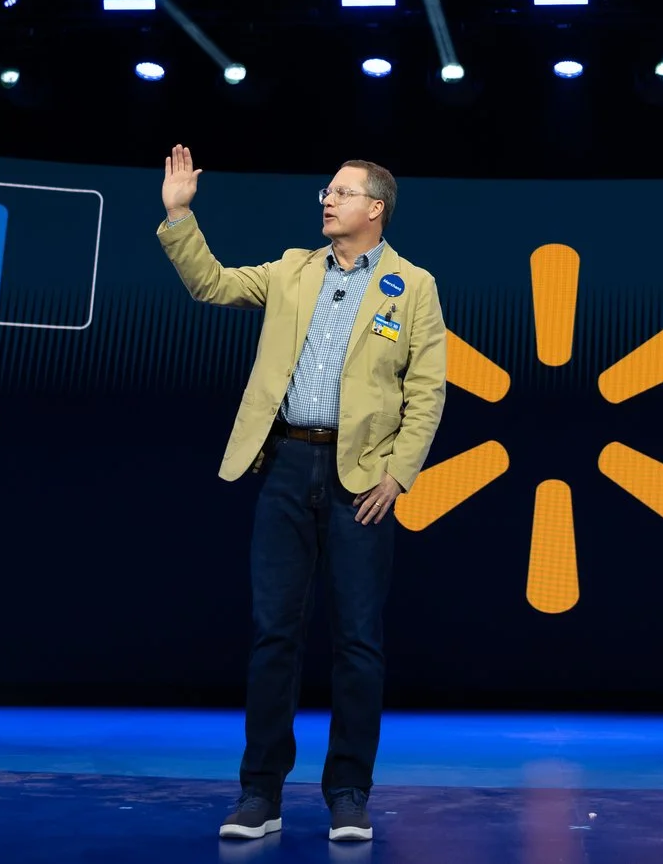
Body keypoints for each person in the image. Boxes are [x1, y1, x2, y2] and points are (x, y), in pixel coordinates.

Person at [155, 146, 448, 844]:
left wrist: (398, 474)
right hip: (285, 466)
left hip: (360, 483)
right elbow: (211, 285)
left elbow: (427, 389)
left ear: (374, 207)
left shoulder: (413, 286)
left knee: (357, 643)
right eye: (328, 190)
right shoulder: (292, 269)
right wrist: (179, 215)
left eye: (342, 193)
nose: (327, 200)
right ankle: (260, 795)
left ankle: (349, 793)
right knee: (273, 637)